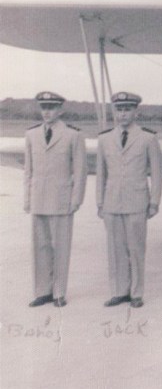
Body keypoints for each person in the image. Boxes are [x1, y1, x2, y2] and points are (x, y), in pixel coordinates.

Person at [97, 92, 162, 308]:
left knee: (136, 248)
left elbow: (157, 172)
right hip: (112, 202)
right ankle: (119, 292)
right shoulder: (105, 138)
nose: (122, 114)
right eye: (119, 109)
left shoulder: (147, 137)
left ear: (136, 111)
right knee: (115, 249)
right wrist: (100, 202)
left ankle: (136, 293)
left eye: (127, 109)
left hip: (137, 201)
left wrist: (154, 202)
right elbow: (101, 173)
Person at [24, 92, 87, 307]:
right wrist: (27, 199)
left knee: (60, 247)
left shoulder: (72, 135)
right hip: (39, 199)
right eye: (44, 107)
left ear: (61, 110)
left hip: (61, 200)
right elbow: (28, 170)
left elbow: (80, 171)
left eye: (51, 107)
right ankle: (42, 291)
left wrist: (76, 199)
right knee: (40, 247)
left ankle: (59, 292)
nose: (47, 112)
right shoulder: (31, 135)